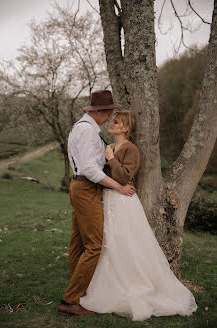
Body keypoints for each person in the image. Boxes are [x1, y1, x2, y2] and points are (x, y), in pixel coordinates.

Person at [80, 110, 198, 321]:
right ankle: (108, 285)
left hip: (124, 202)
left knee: (125, 243)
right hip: (108, 200)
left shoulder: (131, 149)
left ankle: (135, 285)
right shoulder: (110, 147)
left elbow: (124, 177)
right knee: (108, 242)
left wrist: (111, 159)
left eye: (117, 122)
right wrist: (107, 155)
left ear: (126, 128)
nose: (112, 123)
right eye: (112, 120)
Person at [58, 90, 136, 316]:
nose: (111, 115)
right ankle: (70, 300)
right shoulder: (87, 131)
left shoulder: (83, 128)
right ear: (99, 111)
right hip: (86, 188)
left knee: (79, 243)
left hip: (81, 186)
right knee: (94, 245)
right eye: (110, 111)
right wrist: (119, 186)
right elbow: (90, 169)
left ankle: (79, 292)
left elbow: (90, 163)